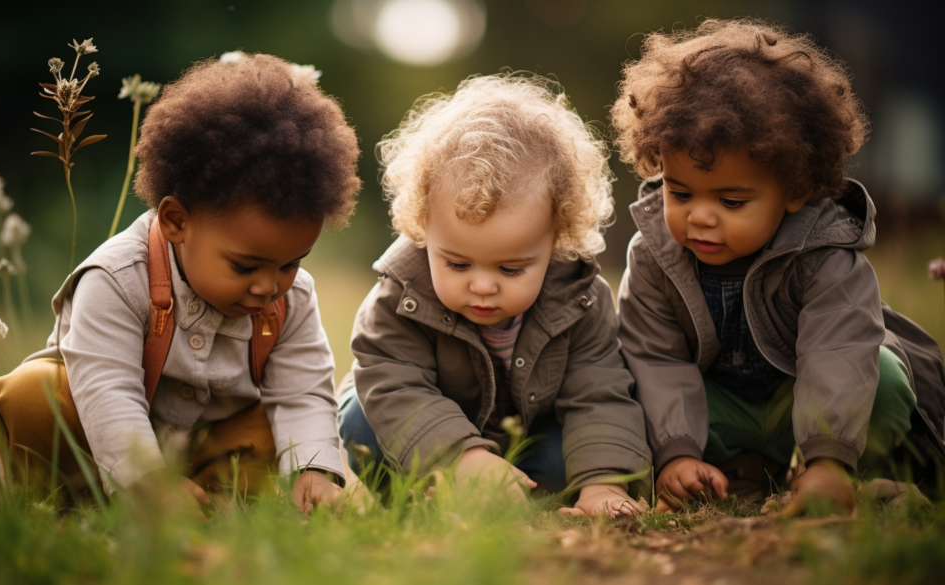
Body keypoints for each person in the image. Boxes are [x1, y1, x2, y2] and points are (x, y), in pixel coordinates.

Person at [0, 52, 361, 515]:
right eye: (246, 267)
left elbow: (302, 391)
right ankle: (67, 505)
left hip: (210, 449)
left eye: (291, 263)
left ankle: (215, 502)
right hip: (102, 447)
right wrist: (145, 479)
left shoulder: (293, 298)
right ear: (176, 221)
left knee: (280, 429)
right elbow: (108, 390)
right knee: (34, 394)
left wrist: (313, 468)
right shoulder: (116, 281)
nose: (270, 286)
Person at [611, 19, 945, 515]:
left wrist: (828, 458)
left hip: (805, 397)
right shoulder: (653, 255)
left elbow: (838, 351)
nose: (699, 216)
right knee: (630, 388)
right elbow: (656, 360)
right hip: (718, 408)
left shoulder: (826, 254)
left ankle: (847, 476)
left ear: (795, 191)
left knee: (886, 377)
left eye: (731, 200)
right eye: (680, 193)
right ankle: (741, 470)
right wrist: (676, 452)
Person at [339, 73, 651, 517]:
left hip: (525, 441)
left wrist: (604, 484)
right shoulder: (399, 297)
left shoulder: (580, 298)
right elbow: (393, 384)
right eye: (458, 264)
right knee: (360, 421)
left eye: (511, 268)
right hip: (427, 445)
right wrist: (461, 458)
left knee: (574, 456)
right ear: (423, 228)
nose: (482, 286)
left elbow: (598, 392)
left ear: (556, 239)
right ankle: (436, 496)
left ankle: (518, 497)